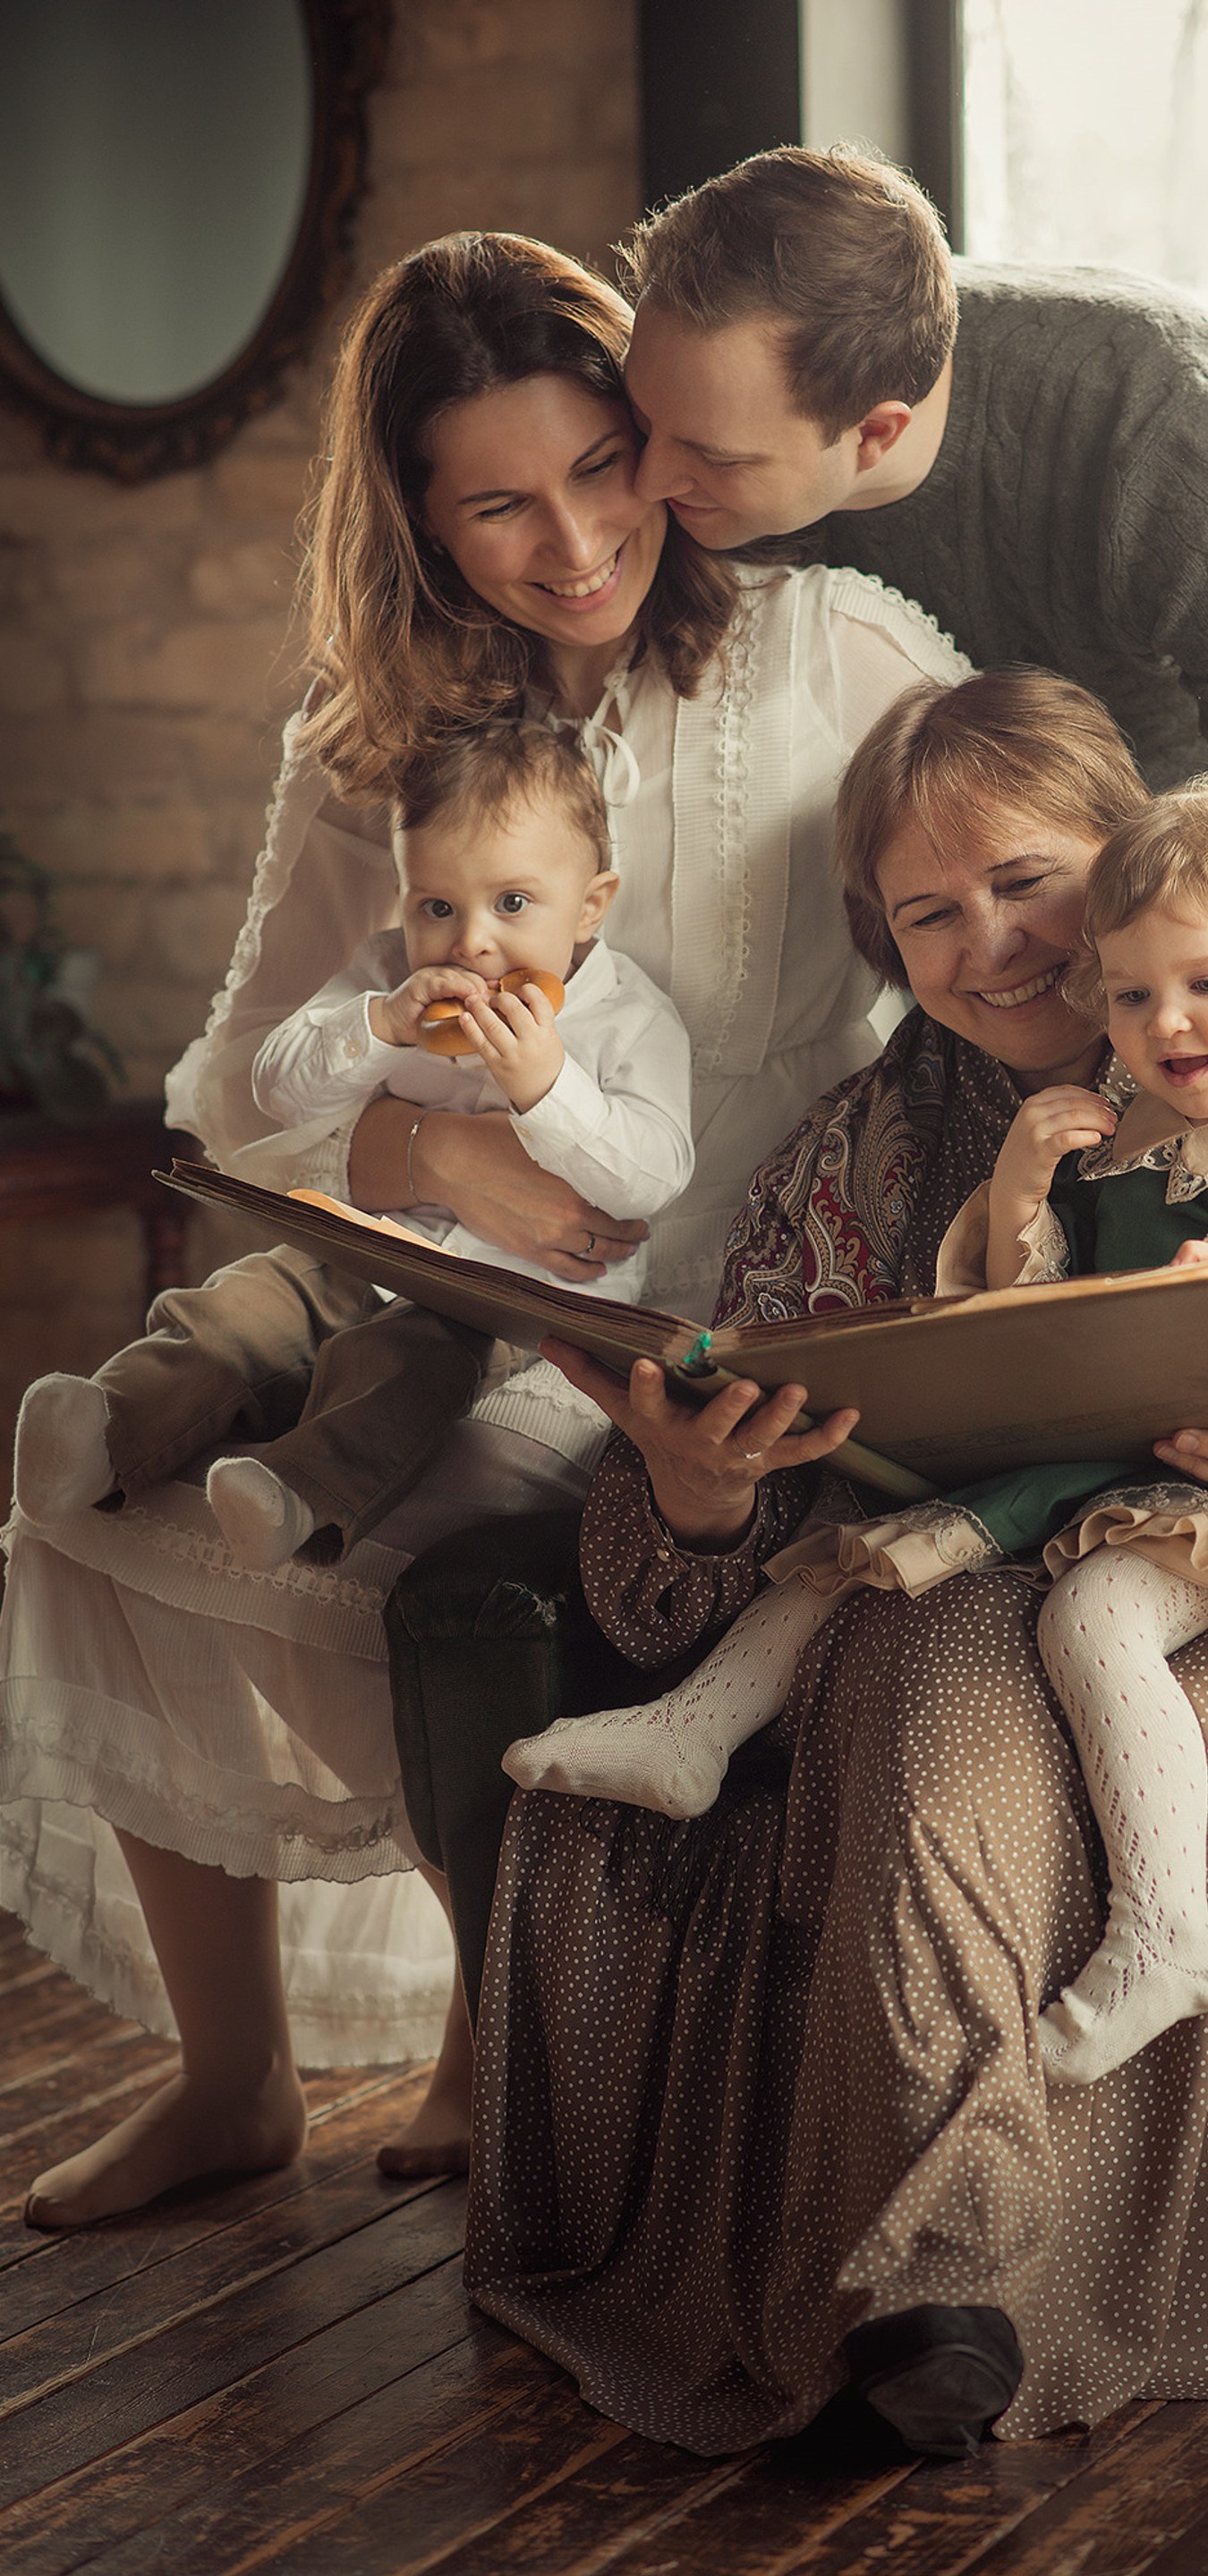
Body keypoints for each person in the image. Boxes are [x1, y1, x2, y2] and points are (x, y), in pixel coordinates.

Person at [458, 668, 1208, 2456]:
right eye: (929, 912)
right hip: (946, 1566)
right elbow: (721, 1479)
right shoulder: (856, 1145)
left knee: (992, 1660)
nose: (992, 946)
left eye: (1031, 882)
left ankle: (969, 2273)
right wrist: (694, 1489)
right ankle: (939, 2288)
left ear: (1137, 858)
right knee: (924, 1657)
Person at [0, 228, 967, 2229]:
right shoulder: (382, 747)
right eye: (501, 507)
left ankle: (474, 2033)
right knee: (88, 1489)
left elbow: (1024, 883)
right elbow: (216, 1090)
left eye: (604, 467)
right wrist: (415, 1166)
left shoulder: (839, 658)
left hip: (723, 1336)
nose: (578, 541)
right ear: (425, 527)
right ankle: (235, 2080)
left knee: (423, 1528)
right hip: (451, 1306)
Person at [500, 766, 1208, 2090]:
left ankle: (1165, 1931)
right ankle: (694, 1727)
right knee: (856, 1563)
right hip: (1078, 1478)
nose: (1160, 1020)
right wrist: (1017, 1191)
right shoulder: (1072, 1147)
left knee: (1087, 1621)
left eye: (1022, 887)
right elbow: (1029, 1316)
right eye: (929, 912)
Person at [618, 146, 1208, 1262]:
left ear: (873, 431)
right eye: (646, 428)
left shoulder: (1144, 419)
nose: (644, 480)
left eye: (704, 455)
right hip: (1003, 828)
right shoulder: (741, 436)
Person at [12, 719, 693, 1573]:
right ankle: (102, 1430)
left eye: (512, 904)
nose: (471, 941)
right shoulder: (384, 976)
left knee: (402, 1366)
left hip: (496, 1300)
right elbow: (276, 1085)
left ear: (591, 903)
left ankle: (295, 1492)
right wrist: (378, 1026)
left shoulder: (629, 1017)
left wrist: (546, 1086)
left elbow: (653, 1178)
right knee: (237, 1308)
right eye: (437, 907)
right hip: (360, 1243)